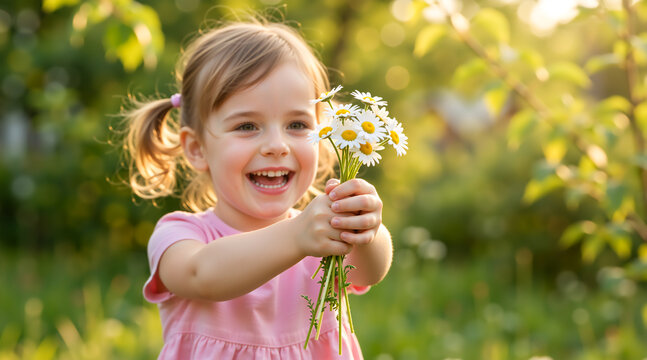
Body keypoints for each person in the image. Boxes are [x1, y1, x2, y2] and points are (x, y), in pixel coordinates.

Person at [121, 19, 393, 359]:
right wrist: (296, 236)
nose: (277, 145)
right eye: (247, 126)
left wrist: (366, 228)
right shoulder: (180, 235)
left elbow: (370, 270)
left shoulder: (321, 233)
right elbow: (202, 275)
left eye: (297, 124)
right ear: (196, 148)